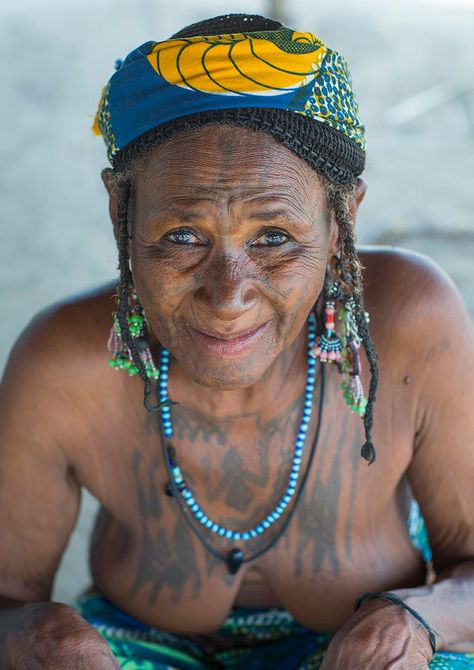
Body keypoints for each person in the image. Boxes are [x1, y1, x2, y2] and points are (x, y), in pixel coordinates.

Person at [0, 12, 473, 670]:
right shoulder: (63, 365)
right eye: (184, 237)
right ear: (122, 213)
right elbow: (6, 599)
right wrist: (48, 639)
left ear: (342, 224)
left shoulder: (410, 322)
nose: (228, 295)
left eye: (274, 238)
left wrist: (414, 621)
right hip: (141, 650)